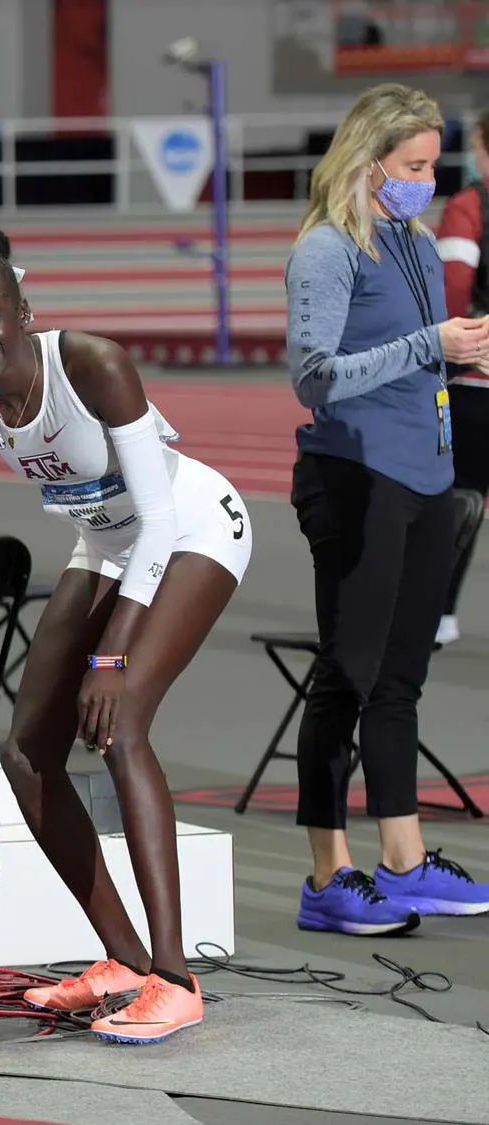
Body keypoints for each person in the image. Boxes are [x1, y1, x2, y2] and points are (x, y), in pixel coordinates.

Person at [0, 223, 253, 1044]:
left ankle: (176, 976)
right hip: (107, 543)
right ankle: (119, 959)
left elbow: (156, 519)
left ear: (20, 311)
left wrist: (112, 656)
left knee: (119, 728)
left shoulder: (90, 363)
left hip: (190, 531)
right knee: (26, 754)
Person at [283, 83, 489, 929]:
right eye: (412, 165)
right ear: (367, 162)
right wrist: (427, 346)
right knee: (348, 672)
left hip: (427, 477)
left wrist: (461, 363)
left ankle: (402, 860)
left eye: (433, 163)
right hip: (356, 478)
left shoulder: (410, 237)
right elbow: (315, 376)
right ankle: (328, 874)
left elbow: (418, 365)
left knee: (401, 677)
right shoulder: (327, 251)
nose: (427, 179)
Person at [431, 113, 489, 645]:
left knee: (461, 498)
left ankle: (440, 613)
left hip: (475, 381)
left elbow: (454, 289)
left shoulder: (470, 206)